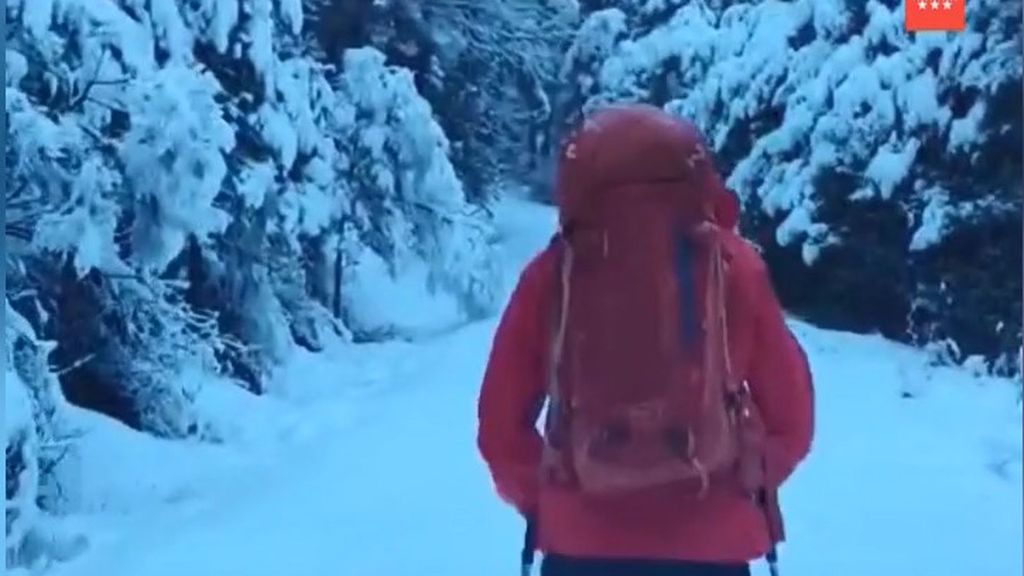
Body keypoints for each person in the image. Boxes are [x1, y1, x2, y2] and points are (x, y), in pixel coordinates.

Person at [477, 104, 814, 576]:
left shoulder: (552, 274)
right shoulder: (736, 269)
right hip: (712, 547)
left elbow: (500, 425)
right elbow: (792, 419)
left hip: (581, 547)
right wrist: (745, 480)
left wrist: (550, 497)